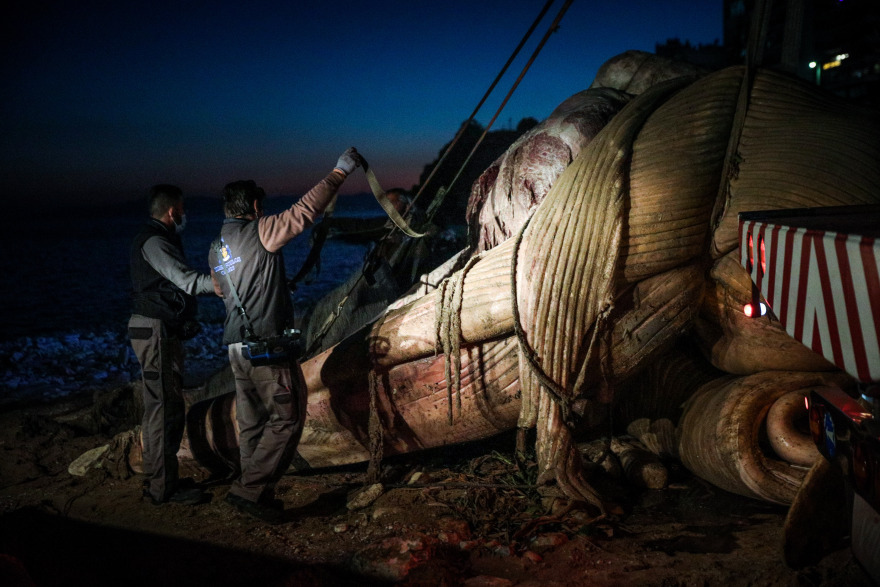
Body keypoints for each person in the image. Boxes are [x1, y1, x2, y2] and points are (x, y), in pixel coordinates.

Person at [210, 148, 361, 524]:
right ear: (256, 205)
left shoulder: (217, 247)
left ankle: (257, 492)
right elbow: (304, 212)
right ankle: (247, 491)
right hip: (266, 348)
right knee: (288, 418)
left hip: (235, 348)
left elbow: (220, 289)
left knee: (252, 422)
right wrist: (341, 171)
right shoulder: (261, 230)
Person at [129, 184, 217, 505]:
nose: (184, 214)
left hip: (156, 329)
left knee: (159, 406)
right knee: (165, 408)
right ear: (172, 211)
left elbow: (171, 287)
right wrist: (222, 283)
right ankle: (163, 488)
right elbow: (186, 280)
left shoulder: (157, 238)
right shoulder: (154, 241)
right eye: (182, 208)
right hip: (155, 331)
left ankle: (158, 478)